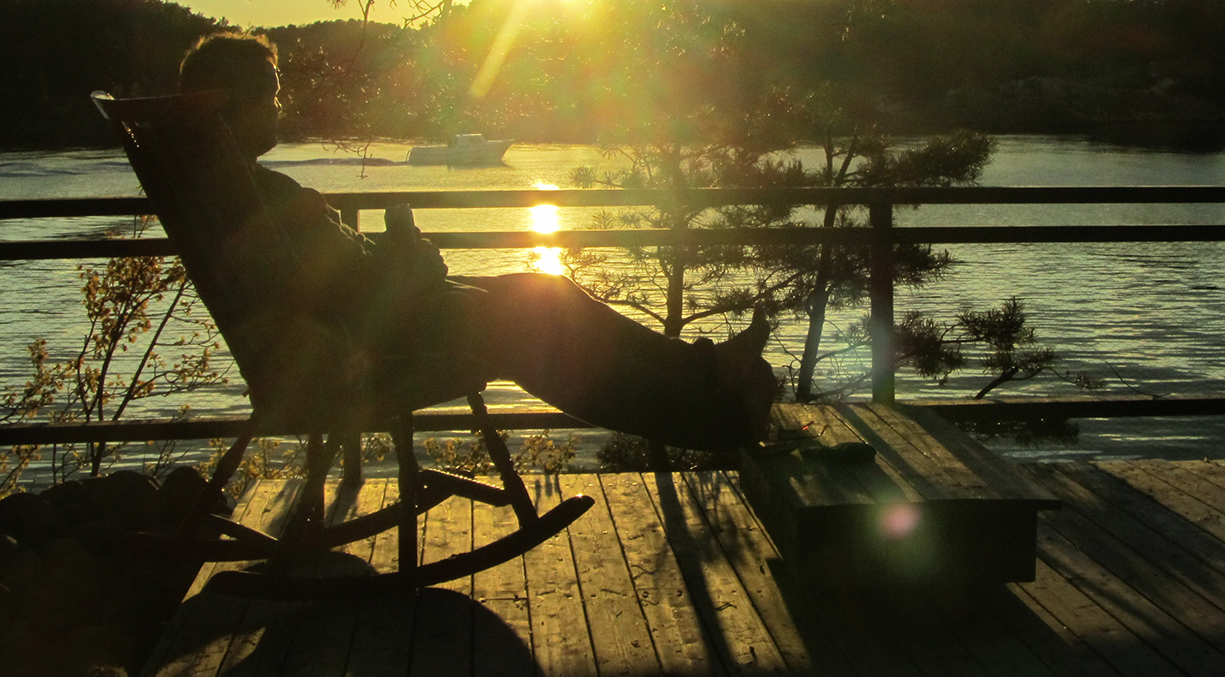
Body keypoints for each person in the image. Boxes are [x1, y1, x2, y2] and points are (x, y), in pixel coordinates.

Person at [177, 31, 776, 451]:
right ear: (234, 103)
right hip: (381, 342)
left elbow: (333, 275)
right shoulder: (258, 197)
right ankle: (716, 413)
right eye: (271, 94)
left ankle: (707, 374)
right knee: (539, 324)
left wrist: (399, 257)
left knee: (546, 291)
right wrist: (410, 252)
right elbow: (346, 285)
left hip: (375, 323)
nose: (280, 107)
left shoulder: (229, 191)